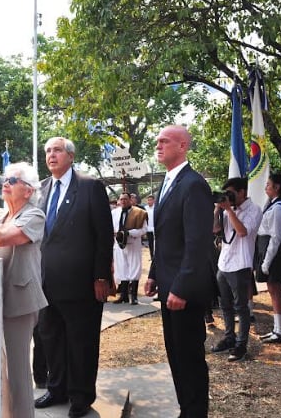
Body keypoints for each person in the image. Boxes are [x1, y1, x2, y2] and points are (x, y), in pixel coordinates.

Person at [34, 137, 113, 418]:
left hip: (81, 284)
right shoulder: (41, 189)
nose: (50, 155)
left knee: (81, 342)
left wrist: (101, 276)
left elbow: (104, 235)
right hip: (46, 284)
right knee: (50, 339)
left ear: (70, 155)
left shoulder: (90, 186)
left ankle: (80, 396)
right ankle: (57, 389)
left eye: (56, 150)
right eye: (47, 152)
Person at [144, 125, 214, 418]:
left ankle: (195, 411)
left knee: (189, 357)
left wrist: (181, 287)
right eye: (157, 141)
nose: (158, 146)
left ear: (182, 146)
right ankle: (186, 408)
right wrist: (153, 272)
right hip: (168, 283)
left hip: (183, 290)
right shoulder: (168, 181)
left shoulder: (193, 184)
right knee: (175, 354)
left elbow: (197, 242)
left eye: (164, 141)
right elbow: (166, 236)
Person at [0, 162, 48, 418]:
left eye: (13, 180)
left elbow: (0, 239)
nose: (6, 183)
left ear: (28, 191)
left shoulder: (34, 215)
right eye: (5, 179)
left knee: (17, 372)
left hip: (19, 301)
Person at [210, 177, 262, 362]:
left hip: (240, 264)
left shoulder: (254, 209)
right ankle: (229, 337)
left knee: (241, 307)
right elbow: (215, 230)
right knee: (225, 305)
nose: (228, 197)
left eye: (231, 193)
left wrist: (229, 210)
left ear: (242, 192)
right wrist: (217, 209)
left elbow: (242, 232)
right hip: (224, 263)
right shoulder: (226, 210)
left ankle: (241, 345)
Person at [256, 173, 281, 344]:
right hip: (266, 248)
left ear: (277, 187)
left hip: (274, 253)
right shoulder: (272, 204)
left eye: (268, 184)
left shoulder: (278, 208)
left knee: (276, 290)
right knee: (272, 290)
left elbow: (276, 237)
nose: (266, 187)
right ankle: (277, 329)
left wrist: (267, 261)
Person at [112, 192, 148, 304]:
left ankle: (134, 296)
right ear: (119, 200)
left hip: (133, 243)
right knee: (121, 268)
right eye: (121, 199)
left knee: (134, 268)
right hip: (118, 244)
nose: (123, 201)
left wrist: (129, 233)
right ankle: (123, 295)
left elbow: (144, 230)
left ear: (130, 200)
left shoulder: (139, 213)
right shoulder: (114, 213)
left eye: (126, 199)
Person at [145, 195, 155, 260]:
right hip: (148, 228)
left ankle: (156, 257)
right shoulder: (145, 208)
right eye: (148, 200)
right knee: (150, 243)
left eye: (151, 200)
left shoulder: (156, 207)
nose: (149, 201)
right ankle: (152, 257)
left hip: (155, 228)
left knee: (156, 243)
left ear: (154, 200)